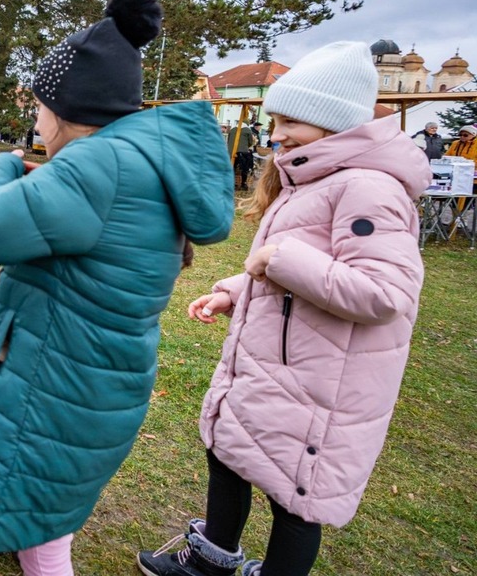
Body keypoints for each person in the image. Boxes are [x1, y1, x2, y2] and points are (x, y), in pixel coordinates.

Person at [0, 0, 235, 576]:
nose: (34, 120)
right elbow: (45, 224)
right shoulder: (136, 164)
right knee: (44, 532)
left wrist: (1, 163)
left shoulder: (94, 169)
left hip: (41, 394)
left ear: (64, 110)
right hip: (88, 395)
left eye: (38, 108)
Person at [137, 41, 431, 576]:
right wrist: (235, 288)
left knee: (294, 504)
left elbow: (384, 294)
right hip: (275, 371)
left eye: (290, 120)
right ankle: (212, 560)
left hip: (321, 386)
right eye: (275, 120)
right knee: (228, 455)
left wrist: (281, 259)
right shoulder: (315, 179)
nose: (276, 135)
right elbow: (290, 271)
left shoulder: (368, 190)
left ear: (333, 121)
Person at [227, 121, 257, 191]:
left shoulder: (232, 130)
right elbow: (250, 142)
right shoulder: (247, 130)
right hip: (243, 152)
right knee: (244, 168)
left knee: (232, 168)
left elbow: (228, 141)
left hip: (231, 152)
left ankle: (232, 183)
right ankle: (243, 183)